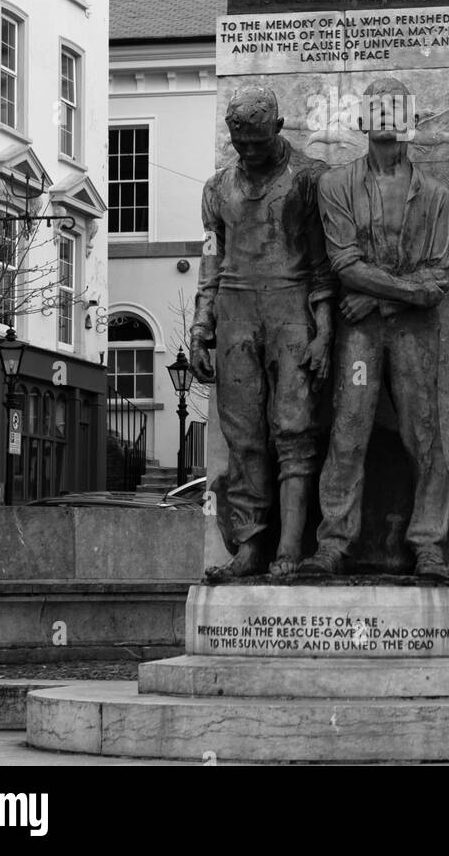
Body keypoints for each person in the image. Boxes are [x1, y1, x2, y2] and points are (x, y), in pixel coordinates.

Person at [300, 77, 449, 580]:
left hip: (407, 331)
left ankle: (429, 543)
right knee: (348, 431)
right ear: (364, 118)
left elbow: (436, 281)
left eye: (397, 108)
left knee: (422, 433)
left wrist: (377, 295)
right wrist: (398, 291)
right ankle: (334, 543)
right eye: (379, 108)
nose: (388, 116)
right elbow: (344, 264)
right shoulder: (335, 185)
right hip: (361, 336)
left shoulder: (435, 196)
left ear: (410, 119)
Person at [189, 86, 333, 577]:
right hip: (235, 313)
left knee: (294, 429)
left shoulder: (309, 179)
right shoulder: (215, 189)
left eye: (256, 141)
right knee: (243, 435)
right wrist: (200, 324)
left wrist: (324, 329)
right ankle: (251, 546)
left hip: (292, 308)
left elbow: (323, 263)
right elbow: (211, 259)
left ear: (277, 127)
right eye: (239, 143)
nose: (248, 152)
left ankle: (291, 546)